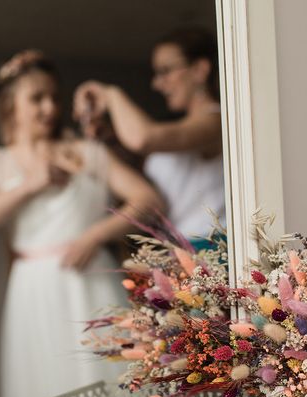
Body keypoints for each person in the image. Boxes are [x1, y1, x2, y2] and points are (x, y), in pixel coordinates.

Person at [0, 50, 164, 397]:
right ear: (10, 106)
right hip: (34, 291)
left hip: (91, 280)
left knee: (112, 382)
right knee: (44, 387)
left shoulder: (88, 152)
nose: (49, 107)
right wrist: (28, 186)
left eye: (53, 96)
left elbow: (149, 199)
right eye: (37, 98)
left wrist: (94, 235)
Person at [73, 28, 225, 249]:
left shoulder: (216, 120)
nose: (157, 84)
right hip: (178, 249)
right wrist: (111, 138)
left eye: (166, 71)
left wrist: (111, 94)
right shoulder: (178, 130)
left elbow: (143, 138)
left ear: (199, 70)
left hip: (210, 249)